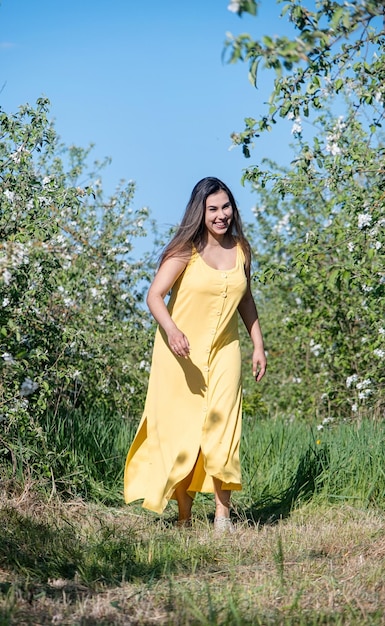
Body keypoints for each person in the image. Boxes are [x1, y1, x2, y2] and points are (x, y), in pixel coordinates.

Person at [124, 177, 266, 532]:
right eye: (213, 209)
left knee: (224, 426)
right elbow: (154, 296)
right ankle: (184, 517)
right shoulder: (184, 249)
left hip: (225, 350)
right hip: (181, 354)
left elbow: (245, 300)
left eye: (226, 207)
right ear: (200, 212)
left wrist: (258, 345)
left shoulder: (242, 250)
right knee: (183, 430)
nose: (221, 216)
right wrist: (172, 331)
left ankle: (222, 517)